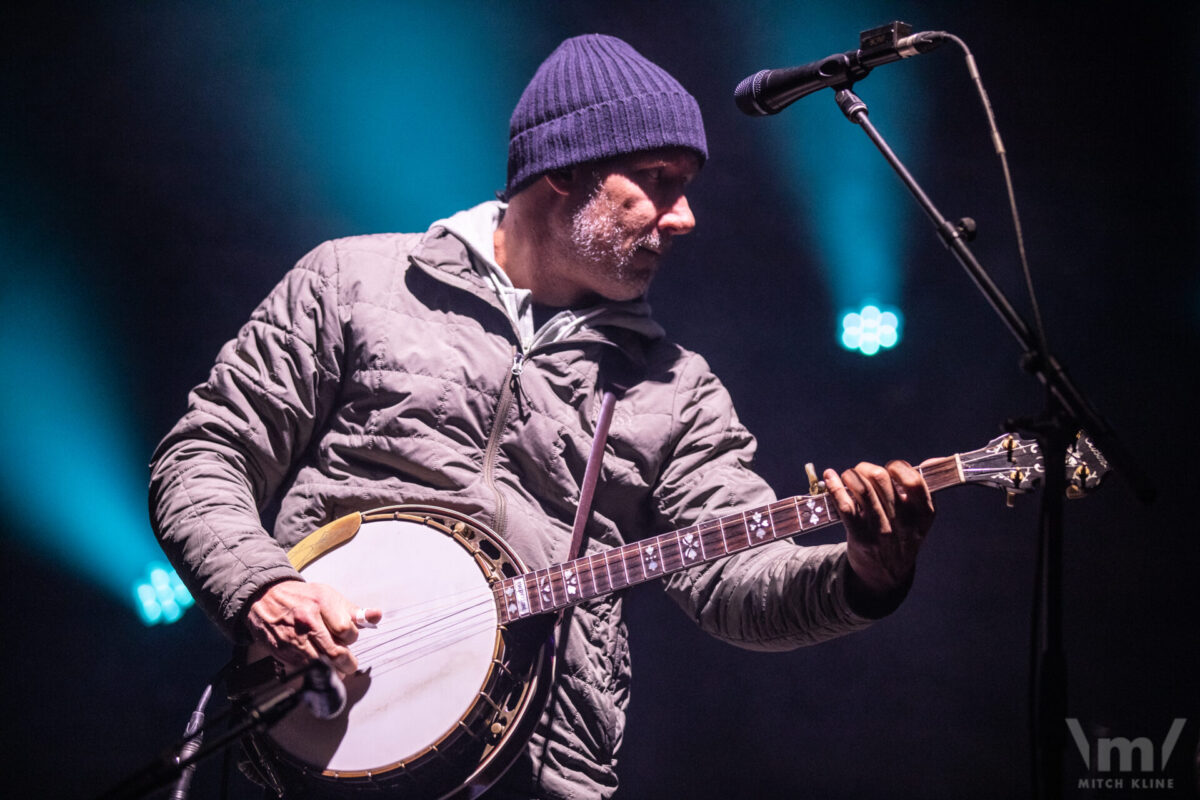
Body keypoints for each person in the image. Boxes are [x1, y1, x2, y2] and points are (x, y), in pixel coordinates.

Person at [149, 34, 934, 799]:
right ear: (564, 171)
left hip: (532, 773)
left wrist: (864, 576)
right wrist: (259, 588)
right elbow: (202, 456)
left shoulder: (678, 388)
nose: (685, 215)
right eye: (658, 179)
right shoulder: (353, 283)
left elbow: (732, 583)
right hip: (317, 742)